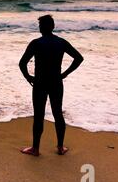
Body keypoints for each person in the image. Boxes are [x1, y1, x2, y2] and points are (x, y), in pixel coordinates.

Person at [19, 15, 83, 156]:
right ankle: (60, 147)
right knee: (58, 114)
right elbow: (79, 58)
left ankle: (35, 149)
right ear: (53, 27)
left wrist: (28, 77)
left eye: (40, 25)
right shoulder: (61, 42)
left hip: (40, 83)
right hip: (56, 82)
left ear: (41, 28)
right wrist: (65, 73)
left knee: (38, 116)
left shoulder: (36, 43)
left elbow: (22, 63)